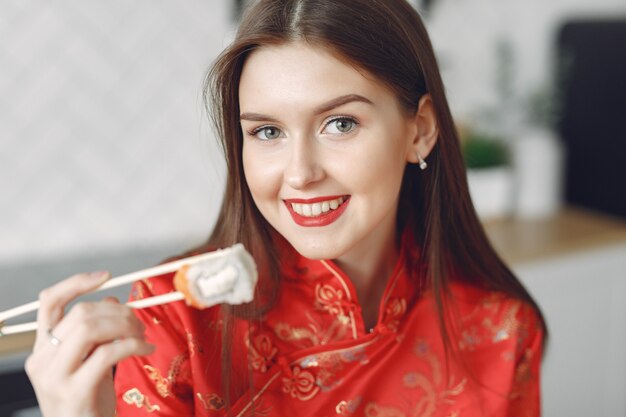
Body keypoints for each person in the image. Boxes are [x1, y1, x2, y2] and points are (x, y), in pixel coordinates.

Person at [25, 0, 546, 416]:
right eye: (267, 131)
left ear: (421, 130)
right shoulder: (172, 318)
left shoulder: (501, 331)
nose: (299, 173)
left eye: (339, 123)